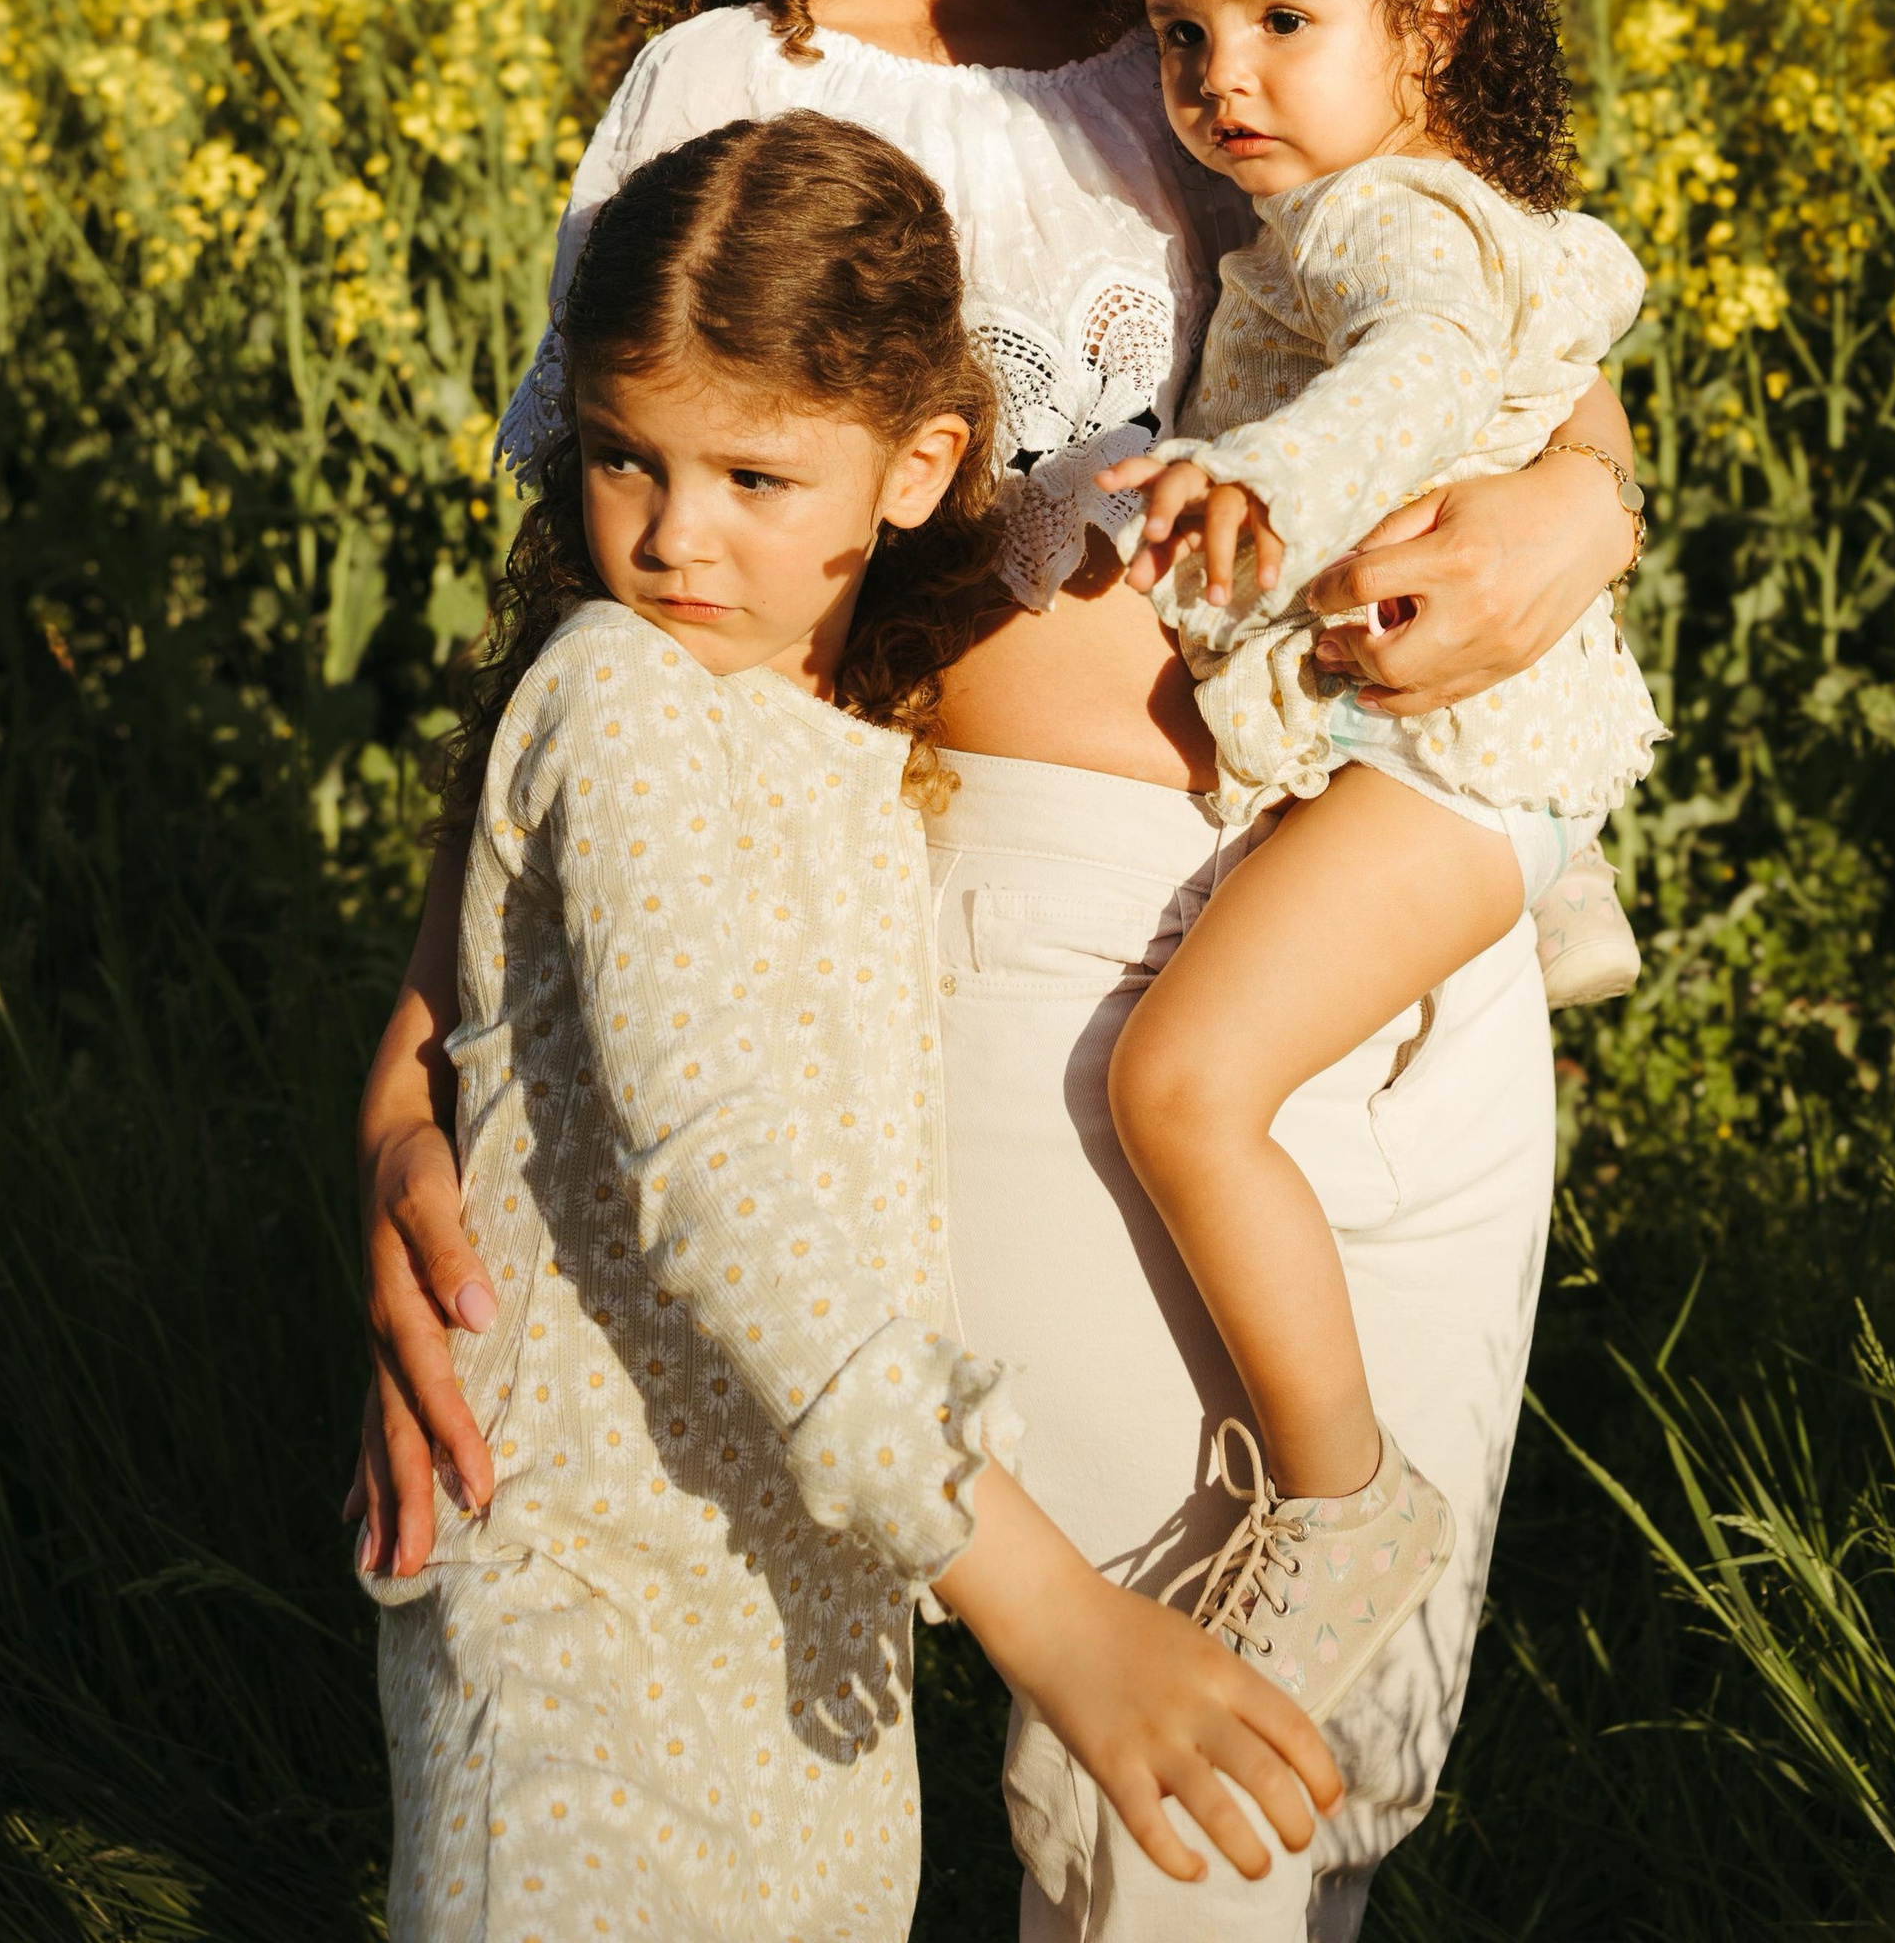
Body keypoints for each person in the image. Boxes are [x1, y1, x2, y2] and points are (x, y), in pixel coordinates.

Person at [354, 0, 1645, 1938]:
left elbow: (1504, 337)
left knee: (1339, 1760)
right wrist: (421, 1073)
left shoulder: (1227, 30)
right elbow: (602, 624)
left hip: (1407, 904)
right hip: (1056, 967)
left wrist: (1585, 512)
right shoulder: (739, 84)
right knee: (1146, 1794)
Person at [364, 110, 1339, 1941]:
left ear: (918, 470)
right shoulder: (620, 704)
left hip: (811, 1612)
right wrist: (1045, 1605)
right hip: (591, 1600)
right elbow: (723, 1183)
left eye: (755, 478)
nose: (671, 539)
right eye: (626, 461)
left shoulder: (842, 759)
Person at [1090, 0, 1667, 1720]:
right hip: (1473, 755)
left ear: (1425, 25)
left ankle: (1340, 1497)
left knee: (1180, 1082)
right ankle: (1554, 886)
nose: (1216, 77)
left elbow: (1421, 381)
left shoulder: (1382, 226)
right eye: (1180, 33)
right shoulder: (1403, 203)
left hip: (1455, 762)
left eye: (1277, 23)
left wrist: (1256, 480)